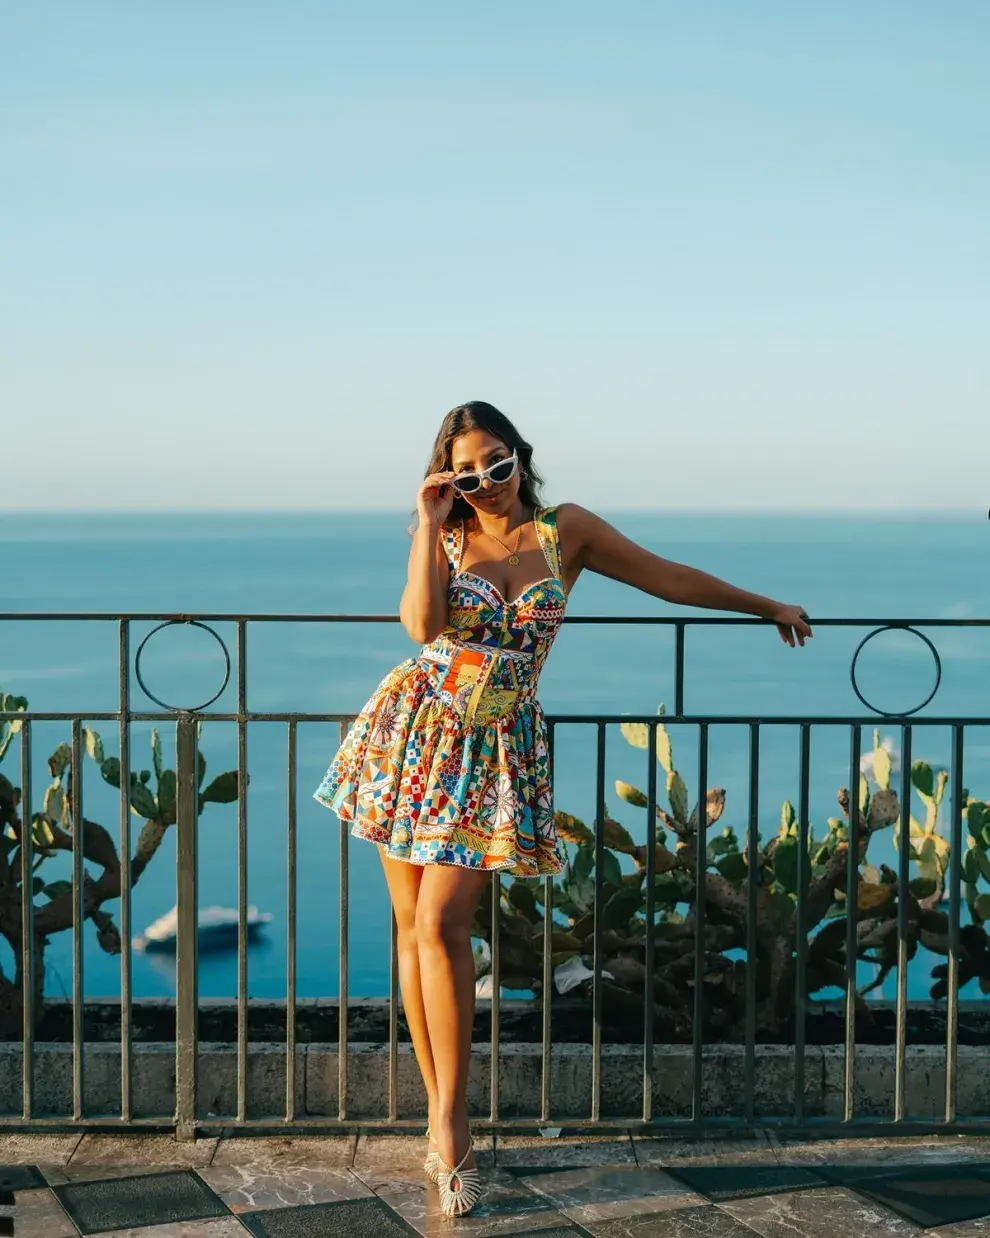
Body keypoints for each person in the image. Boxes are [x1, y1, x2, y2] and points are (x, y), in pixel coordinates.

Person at [314, 400, 812, 1217]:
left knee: (442, 922)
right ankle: (444, 1126)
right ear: (447, 478)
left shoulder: (564, 531)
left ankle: (451, 1126)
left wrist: (766, 606)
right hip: (415, 731)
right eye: (467, 474)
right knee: (414, 929)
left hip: (499, 744)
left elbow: (668, 577)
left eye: (499, 465)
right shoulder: (443, 531)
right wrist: (427, 521)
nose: (487, 484)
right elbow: (420, 624)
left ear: (522, 457)